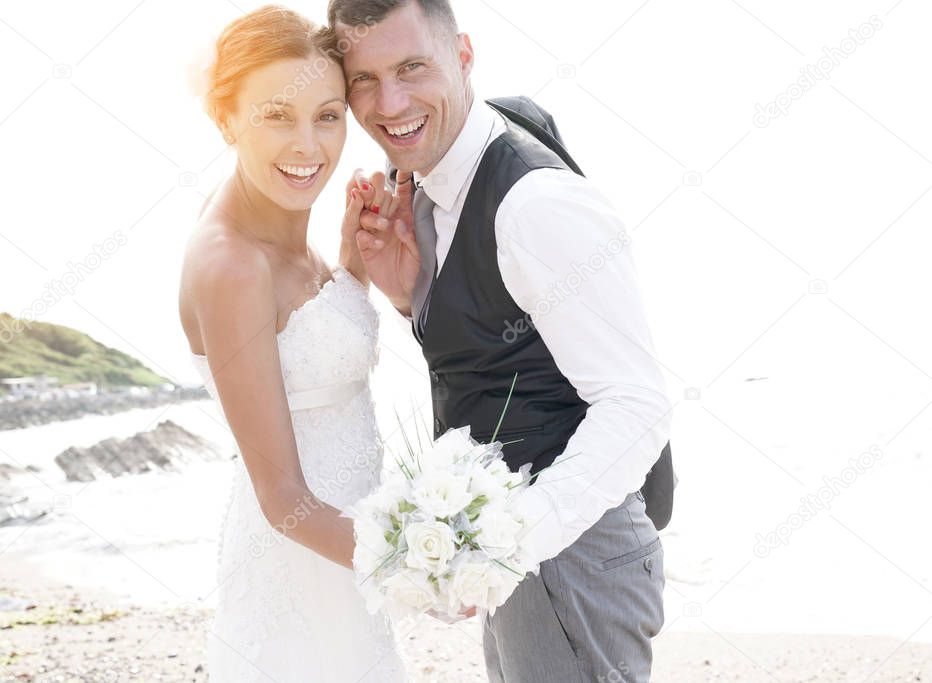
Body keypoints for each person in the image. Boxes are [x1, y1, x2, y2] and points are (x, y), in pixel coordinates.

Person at [329, 0, 673, 680]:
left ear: (462, 55)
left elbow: (637, 405)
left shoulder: (536, 206)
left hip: (570, 556)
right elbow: (501, 344)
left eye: (410, 67)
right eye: (363, 78)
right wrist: (409, 298)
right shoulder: (428, 177)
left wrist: (504, 547)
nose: (388, 102)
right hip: (531, 555)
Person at [177, 6, 405, 681]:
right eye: (277, 116)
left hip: (346, 551)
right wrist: (419, 564)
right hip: (301, 566)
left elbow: (306, 355)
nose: (308, 145)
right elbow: (283, 498)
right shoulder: (231, 263)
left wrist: (351, 263)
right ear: (227, 120)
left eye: (328, 115)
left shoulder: (274, 223)